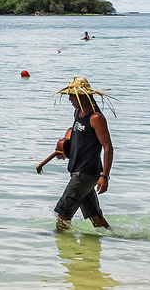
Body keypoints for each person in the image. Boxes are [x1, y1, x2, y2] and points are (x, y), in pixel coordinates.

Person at [52, 77, 114, 231]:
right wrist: (65, 153)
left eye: (71, 96)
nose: (69, 99)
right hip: (77, 170)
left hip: (86, 173)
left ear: (81, 96)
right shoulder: (78, 113)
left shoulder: (96, 118)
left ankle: (61, 245)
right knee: (95, 215)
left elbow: (108, 147)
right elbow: (79, 142)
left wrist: (104, 176)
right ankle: (114, 241)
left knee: (63, 213)